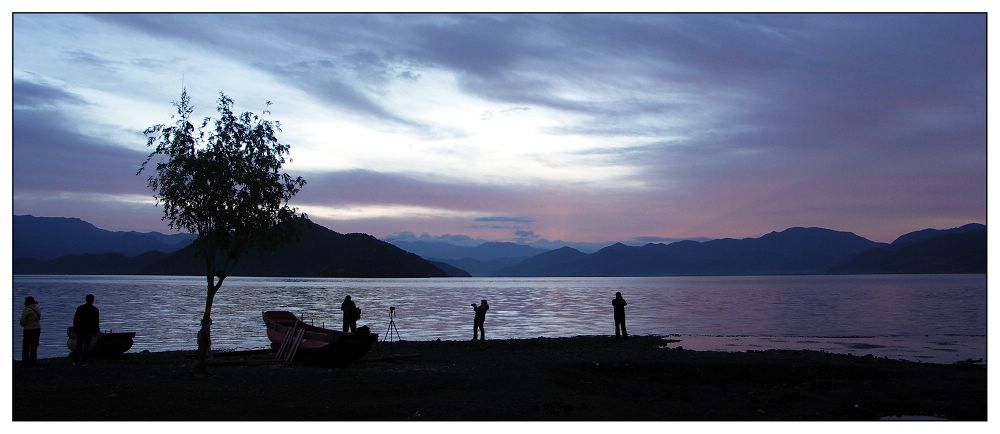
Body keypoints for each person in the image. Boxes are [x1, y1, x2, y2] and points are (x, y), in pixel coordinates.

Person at [73, 293, 100, 366]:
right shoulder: (95, 310)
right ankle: (84, 362)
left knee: (79, 345)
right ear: (93, 300)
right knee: (86, 346)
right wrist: (96, 331)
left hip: (80, 330)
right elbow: (96, 322)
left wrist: (75, 328)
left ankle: (76, 361)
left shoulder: (80, 308)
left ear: (86, 299)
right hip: (89, 330)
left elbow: (75, 319)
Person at [19, 296, 41, 366]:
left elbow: (22, 322)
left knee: (26, 346)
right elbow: (39, 318)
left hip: (28, 330)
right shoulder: (37, 308)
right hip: (37, 329)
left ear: (28, 302)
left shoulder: (26, 310)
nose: (24, 303)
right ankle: (33, 362)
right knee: (34, 346)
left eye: (25, 302)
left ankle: (25, 363)